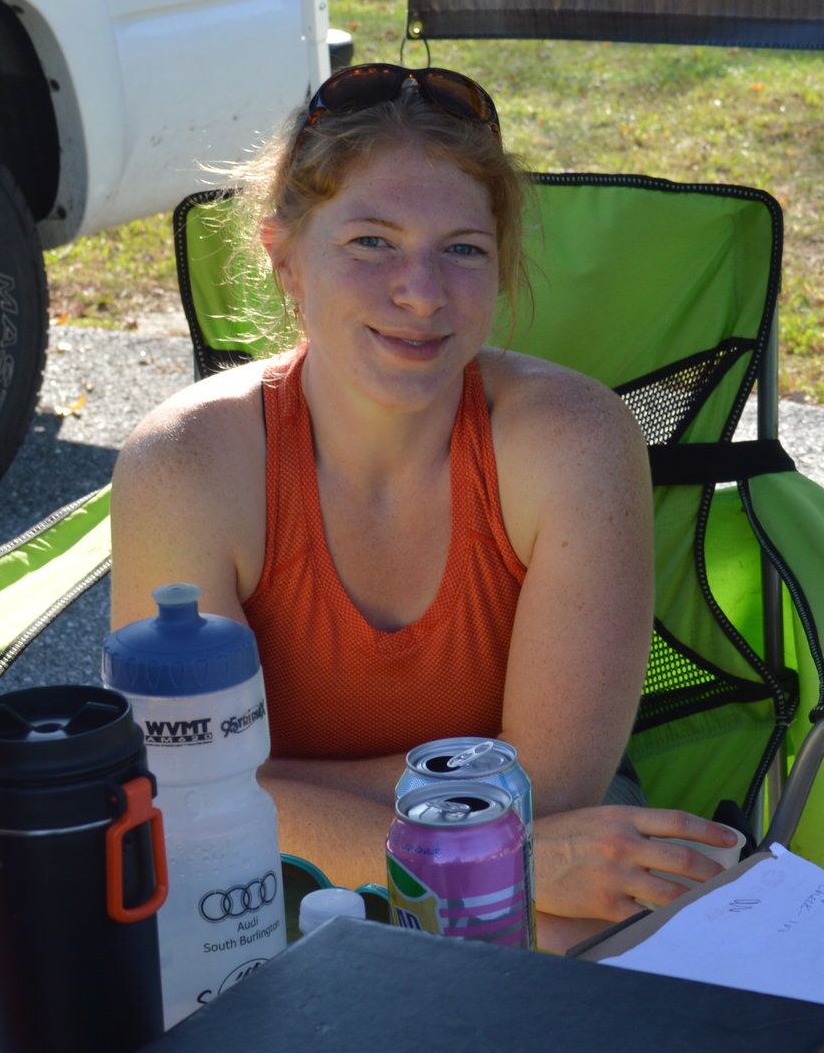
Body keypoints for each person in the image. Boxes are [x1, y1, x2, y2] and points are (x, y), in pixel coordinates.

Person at [110, 64, 736, 953]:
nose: (422, 292)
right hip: (274, 883)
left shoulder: (573, 440)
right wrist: (498, 843)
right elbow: (165, 793)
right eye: (371, 242)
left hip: (531, 860)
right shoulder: (189, 461)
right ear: (283, 256)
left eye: (464, 250)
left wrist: (256, 786)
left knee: (595, 929)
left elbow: (554, 788)